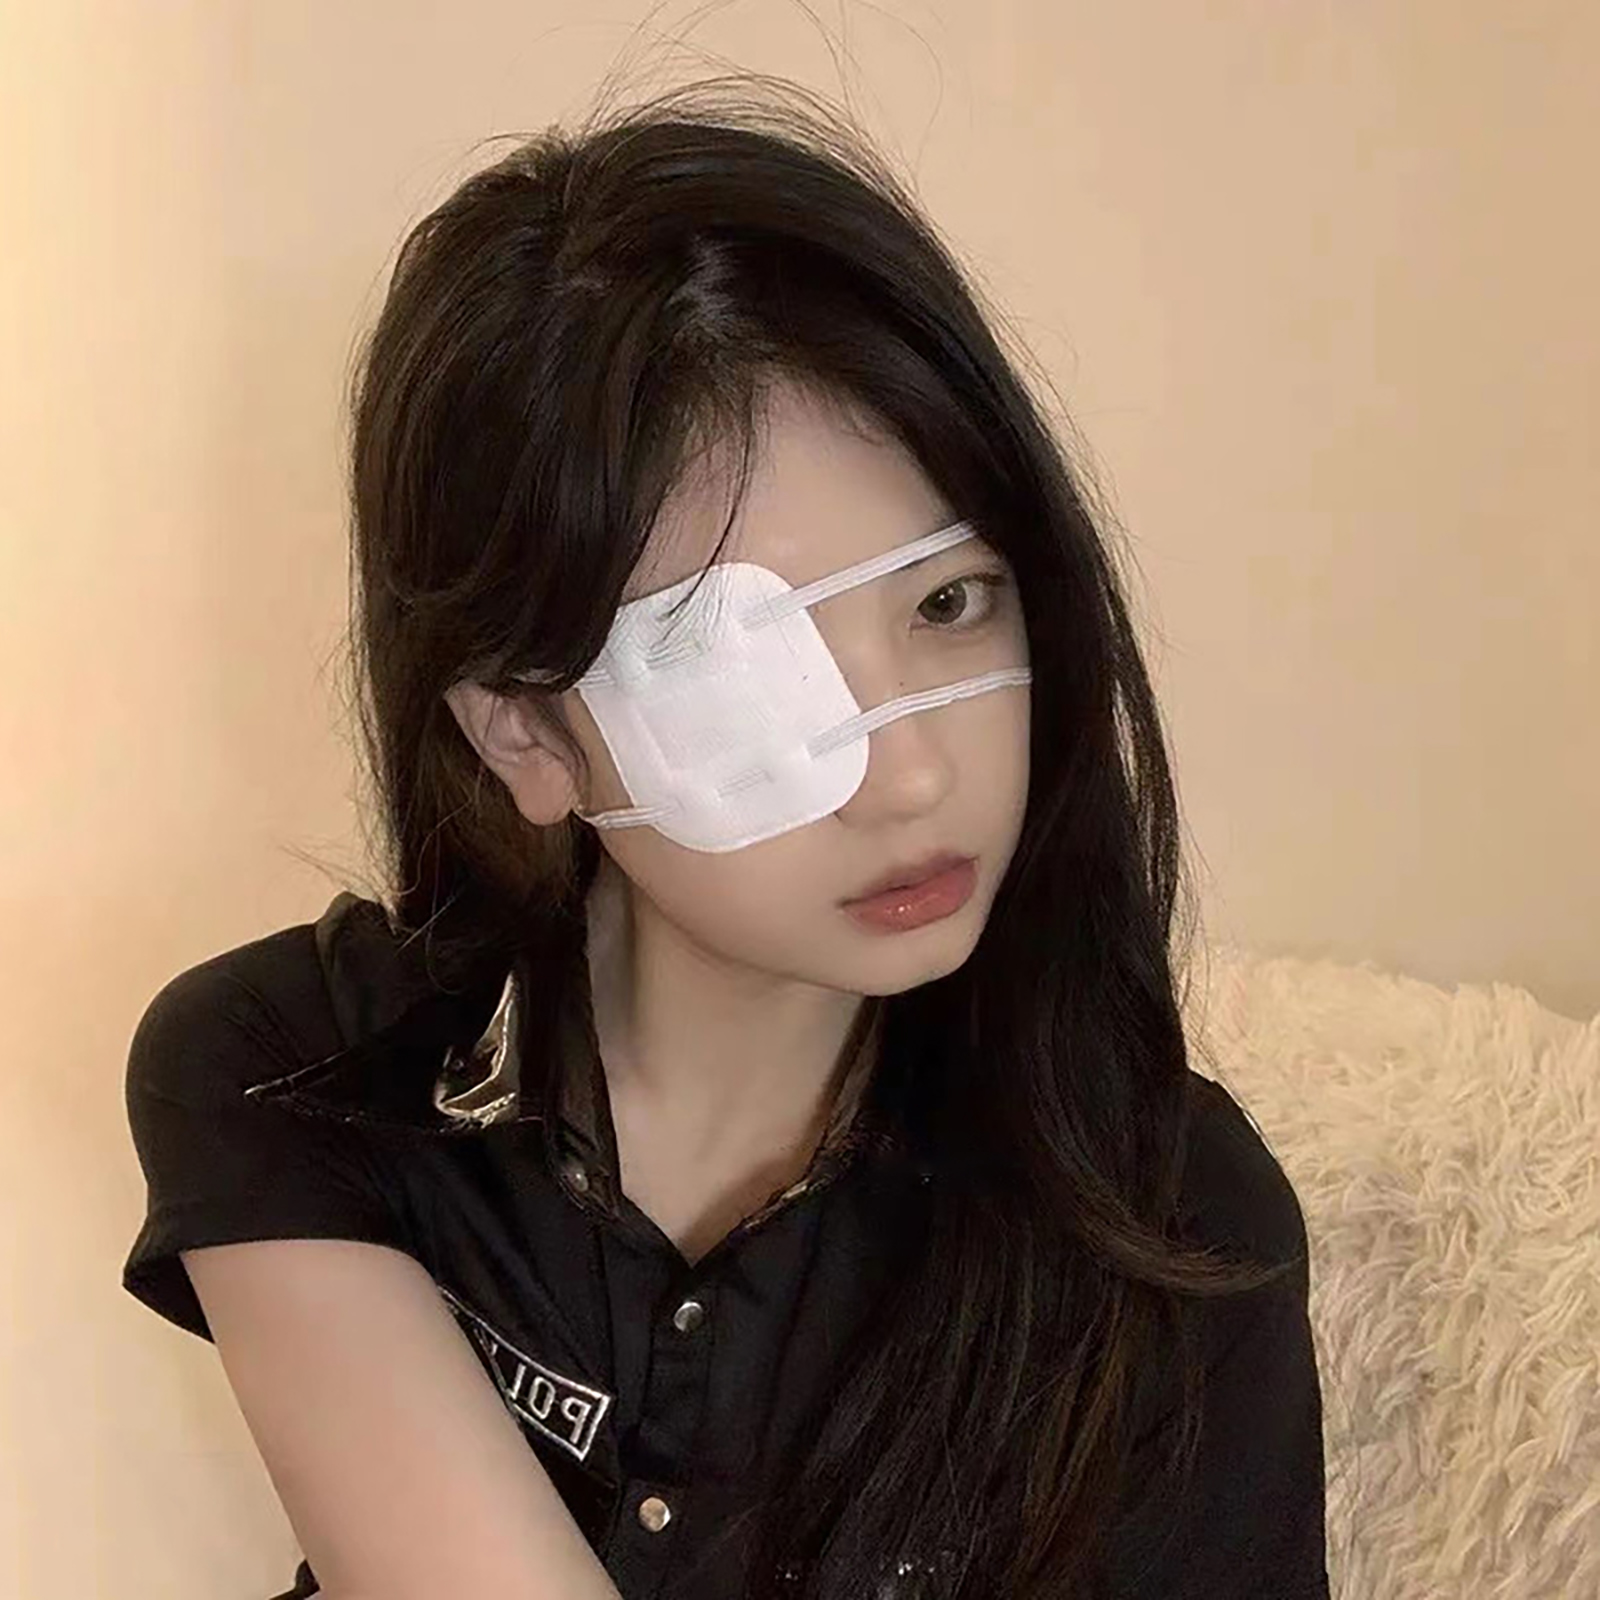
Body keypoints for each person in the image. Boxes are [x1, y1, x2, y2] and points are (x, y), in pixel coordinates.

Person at [120, 76, 1329, 1600]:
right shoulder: (299, 1078)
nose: (913, 776)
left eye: (949, 603)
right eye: (742, 668)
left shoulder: (1173, 1233)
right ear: (528, 734)